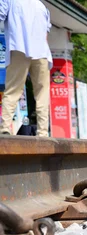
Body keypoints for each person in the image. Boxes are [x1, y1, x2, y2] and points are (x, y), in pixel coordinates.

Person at [0, 0, 52, 136]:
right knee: (42, 93)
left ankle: (5, 127)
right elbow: (46, 34)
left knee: (12, 90)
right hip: (41, 52)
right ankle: (43, 132)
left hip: (19, 47)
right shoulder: (42, 6)